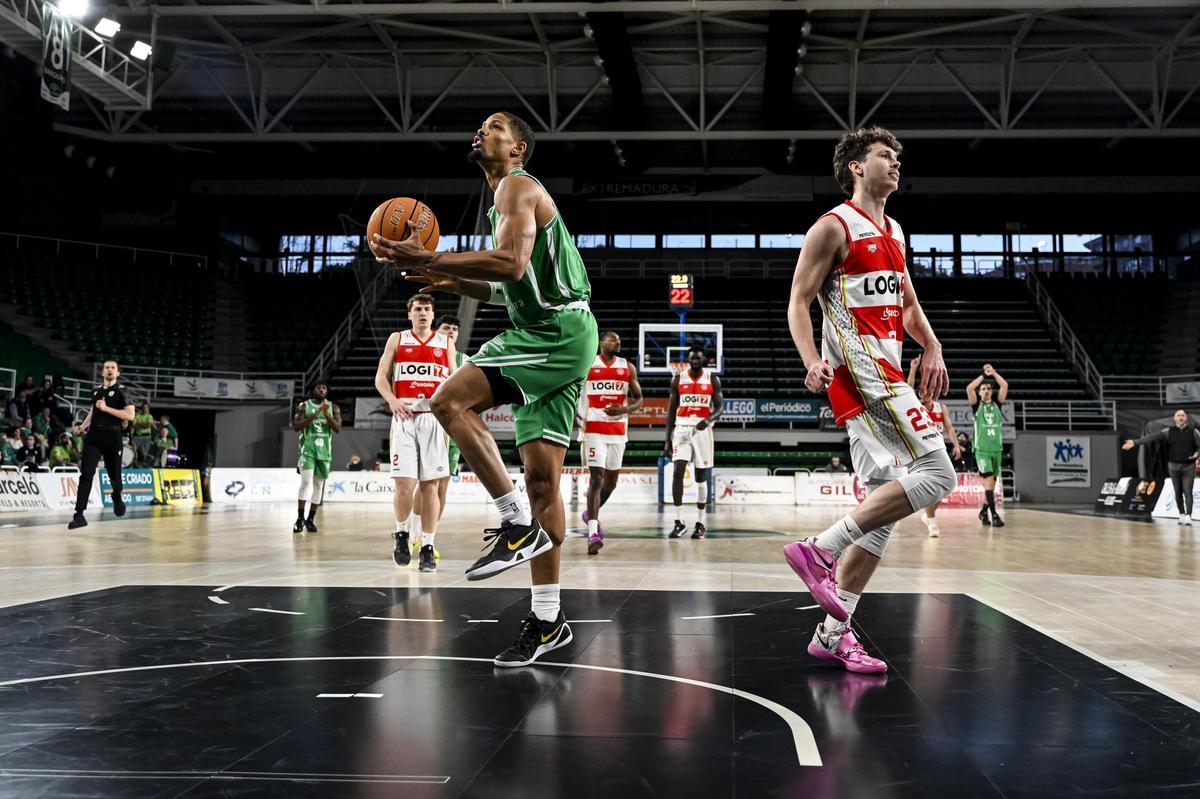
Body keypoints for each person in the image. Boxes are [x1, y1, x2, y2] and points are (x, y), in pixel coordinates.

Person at [372, 110, 596, 668]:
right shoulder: (505, 201)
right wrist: (452, 280)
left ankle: (514, 520)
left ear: (518, 148)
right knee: (544, 484)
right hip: (554, 335)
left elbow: (512, 265)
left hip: (555, 333)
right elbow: (508, 288)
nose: (482, 130)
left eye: (495, 127)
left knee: (447, 400)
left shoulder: (517, 186)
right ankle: (548, 620)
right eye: (481, 125)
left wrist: (431, 256)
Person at [784, 126, 956, 674]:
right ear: (857, 167)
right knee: (939, 475)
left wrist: (931, 344)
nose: (896, 162)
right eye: (886, 155)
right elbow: (798, 301)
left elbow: (908, 305)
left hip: (887, 367)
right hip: (862, 372)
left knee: (882, 507)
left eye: (897, 156)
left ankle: (833, 635)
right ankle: (819, 548)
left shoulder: (895, 230)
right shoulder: (832, 227)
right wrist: (811, 359)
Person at [373, 293, 456, 571]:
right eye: (418, 309)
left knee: (430, 486)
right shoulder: (397, 338)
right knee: (405, 486)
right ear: (410, 314)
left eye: (427, 309)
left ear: (433, 314)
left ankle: (428, 546)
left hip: (433, 420)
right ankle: (401, 534)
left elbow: (454, 380)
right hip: (405, 418)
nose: (422, 313)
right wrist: (392, 400)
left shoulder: (445, 342)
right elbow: (380, 377)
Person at [576, 330, 643, 554]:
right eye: (613, 340)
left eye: (619, 340)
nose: (618, 343)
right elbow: (573, 391)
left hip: (617, 430)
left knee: (610, 483)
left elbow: (639, 399)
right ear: (601, 343)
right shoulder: (587, 364)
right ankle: (593, 532)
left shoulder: (627, 367)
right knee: (597, 478)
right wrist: (576, 415)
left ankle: (590, 514)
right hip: (593, 428)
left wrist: (623, 410)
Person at [663, 346, 723, 540]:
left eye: (698, 358)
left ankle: (700, 522)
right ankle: (679, 522)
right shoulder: (678, 379)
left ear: (704, 360)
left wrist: (708, 419)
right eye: (691, 358)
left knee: (700, 475)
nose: (695, 361)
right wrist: (667, 440)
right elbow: (671, 411)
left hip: (702, 430)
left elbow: (720, 407)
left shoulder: (712, 379)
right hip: (681, 429)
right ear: (688, 360)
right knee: (677, 471)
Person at [69, 360, 135, 529]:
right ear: (103, 372)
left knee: (115, 477)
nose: (110, 370)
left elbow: (130, 415)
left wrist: (107, 409)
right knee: (86, 473)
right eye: (107, 367)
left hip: (113, 436)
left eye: (113, 368)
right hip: (94, 437)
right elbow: (94, 410)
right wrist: (83, 426)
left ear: (117, 373)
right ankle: (79, 515)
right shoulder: (96, 390)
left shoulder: (123, 391)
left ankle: (116, 496)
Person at [908, 354, 963, 537]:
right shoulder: (916, 405)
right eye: (923, 390)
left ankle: (928, 516)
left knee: (945, 486)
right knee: (932, 485)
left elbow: (950, 428)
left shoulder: (941, 408)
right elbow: (907, 388)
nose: (926, 393)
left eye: (929, 390)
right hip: (921, 450)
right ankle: (931, 521)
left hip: (939, 448)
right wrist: (913, 369)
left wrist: (956, 446)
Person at [1123, 409, 1200, 525]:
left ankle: (1189, 515)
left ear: (1186, 418)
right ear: (1174, 419)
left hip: (1188, 467)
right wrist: (1135, 442)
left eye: (1183, 415)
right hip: (1173, 466)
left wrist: (1197, 453)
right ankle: (1181, 514)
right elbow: (1152, 437)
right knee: (1177, 492)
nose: (1181, 417)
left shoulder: (1194, 432)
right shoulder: (1169, 431)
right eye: (1178, 415)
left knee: (1188, 491)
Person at [293, 381, 341, 534]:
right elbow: (296, 427)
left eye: (324, 388)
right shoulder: (304, 406)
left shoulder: (333, 407)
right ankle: (300, 518)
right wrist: (315, 414)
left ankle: (310, 519)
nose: (321, 390)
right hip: (308, 450)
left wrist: (326, 414)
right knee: (306, 482)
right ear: (313, 390)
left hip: (324, 452)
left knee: (318, 486)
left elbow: (338, 429)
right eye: (318, 387)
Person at [966, 364, 1009, 527]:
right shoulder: (977, 406)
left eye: (988, 389)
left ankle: (983, 512)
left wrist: (994, 373)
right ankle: (994, 515)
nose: (986, 391)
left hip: (996, 449)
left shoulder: (997, 404)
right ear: (980, 392)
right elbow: (969, 388)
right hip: (982, 450)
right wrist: (984, 375)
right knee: (989, 482)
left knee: (991, 484)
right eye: (983, 389)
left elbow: (1005, 386)